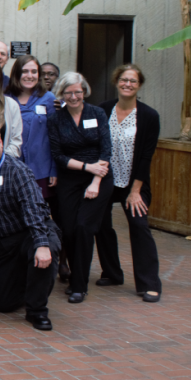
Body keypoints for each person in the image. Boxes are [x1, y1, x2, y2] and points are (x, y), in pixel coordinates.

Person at [0, 121, 58, 330]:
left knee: (45, 252)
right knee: (2, 304)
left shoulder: (17, 170)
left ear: (0, 142)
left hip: (31, 231)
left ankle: (37, 311)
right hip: (2, 239)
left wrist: (41, 244)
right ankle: (26, 282)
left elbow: (33, 209)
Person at [95, 64, 162, 302]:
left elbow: (146, 156)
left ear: (139, 85)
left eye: (133, 81)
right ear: (116, 82)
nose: (128, 84)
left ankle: (149, 283)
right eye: (124, 79)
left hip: (134, 182)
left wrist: (135, 192)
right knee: (100, 224)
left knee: (139, 225)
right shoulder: (102, 110)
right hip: (106, 179)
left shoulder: (149, 116)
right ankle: (112, 273)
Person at [48, 72, 113, 304]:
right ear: (62, 94)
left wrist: (96, 180)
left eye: (78, 91)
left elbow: (106, 149)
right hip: (71, 177)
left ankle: (79, 285)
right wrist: (88, 168)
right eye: (68, 92)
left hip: (100, 177)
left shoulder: (97, 113)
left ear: (84, 91)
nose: (74, 96)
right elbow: (58, 155)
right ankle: (77, 273)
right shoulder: (56, 119)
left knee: (85, 227)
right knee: (69, 229)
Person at [6, 55, 56, 197]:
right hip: (11, 166)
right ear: (16, 73)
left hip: (41, 168)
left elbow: (55, 136)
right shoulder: (5, 98)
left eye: (34, 71)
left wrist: (54, 169)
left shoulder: (48, 98)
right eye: (25, 71)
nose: (30, 76)